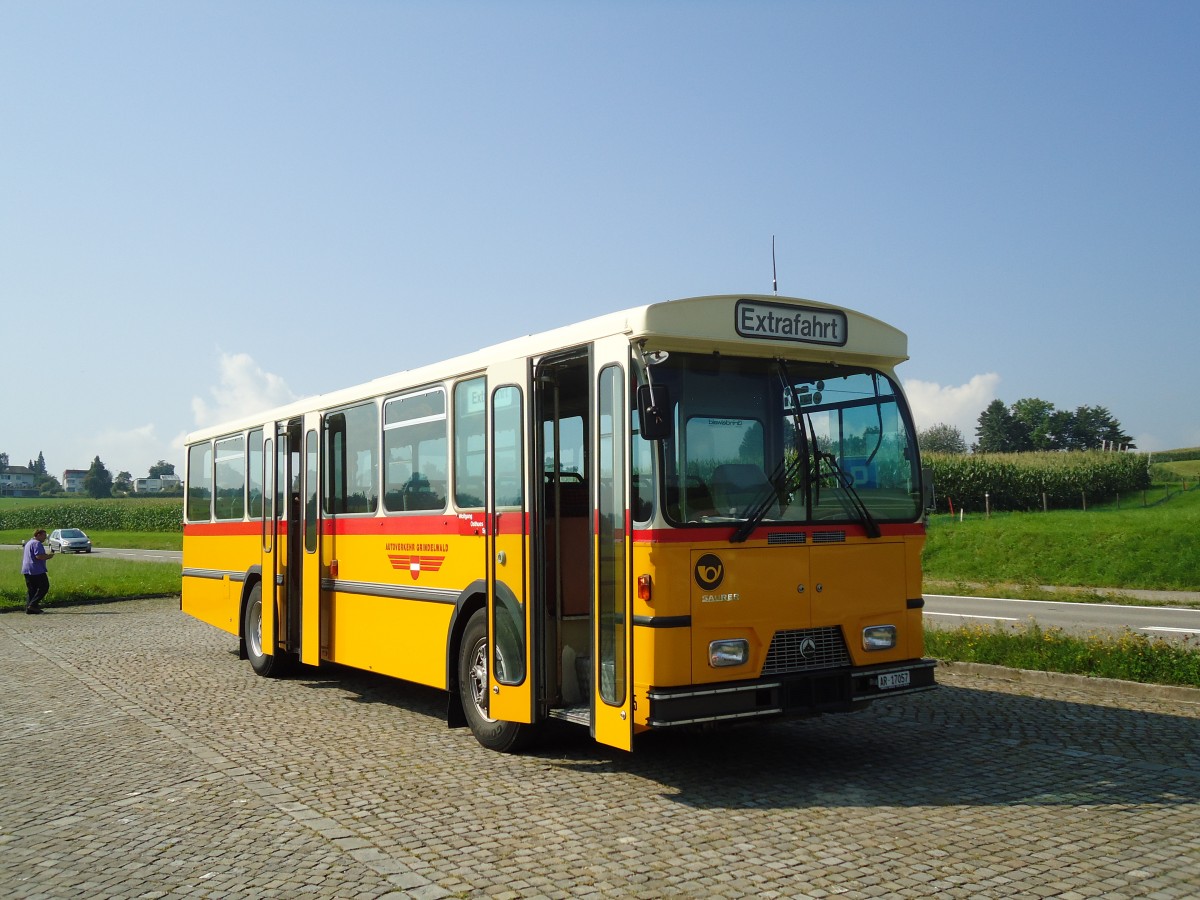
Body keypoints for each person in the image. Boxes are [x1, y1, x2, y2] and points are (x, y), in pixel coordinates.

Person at [21, 528, 55, 614]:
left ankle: (30, 608)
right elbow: (39, 556)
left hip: (27, 569)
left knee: (32, 589)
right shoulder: (37, 543)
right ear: (38, 535)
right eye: (44, 536)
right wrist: (49, 556)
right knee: (44, 587)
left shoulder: (29, 542)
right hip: (36, 569)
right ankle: (32, 605)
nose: (45, 538)